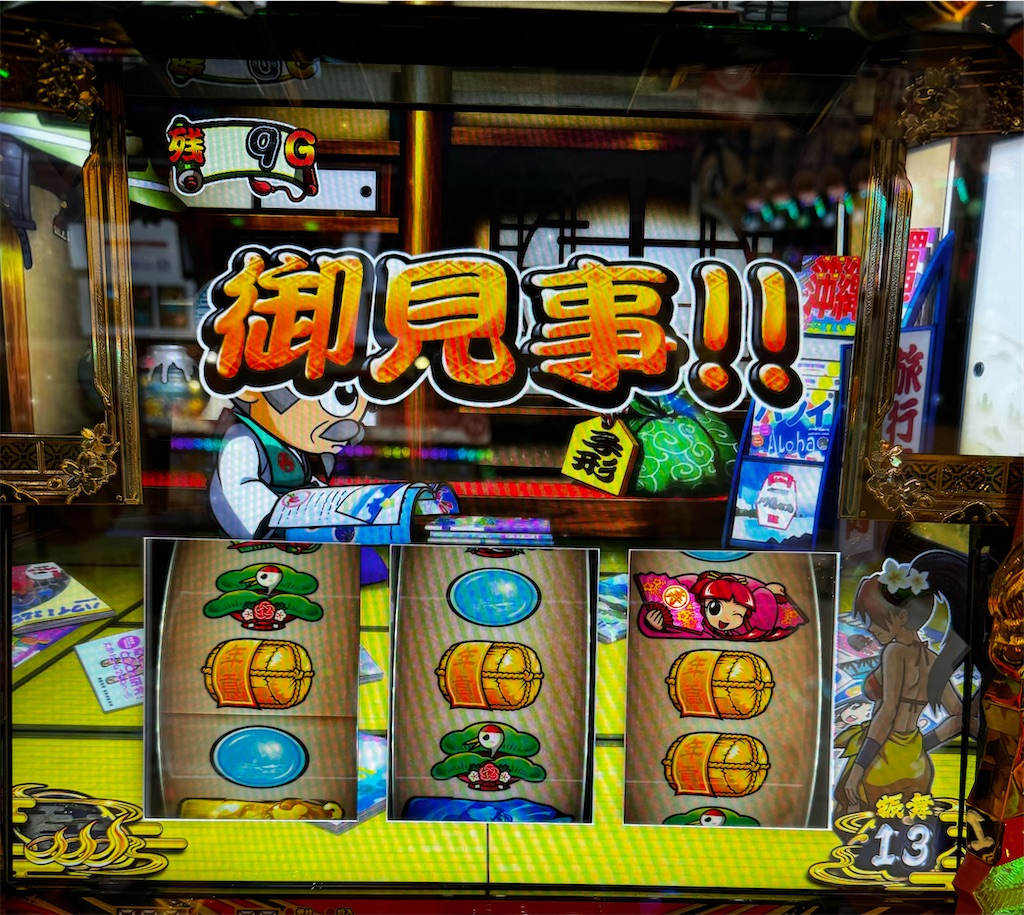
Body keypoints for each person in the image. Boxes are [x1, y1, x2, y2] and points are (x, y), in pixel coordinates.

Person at [834, 550, 969, 816]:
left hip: (881, 762)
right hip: (917, 766)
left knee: (853, 821)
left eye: (873, 619)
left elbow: (887, 712)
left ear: (901, 618)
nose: (869, 628)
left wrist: (857, 771)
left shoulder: (895, 652)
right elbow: (960, 717)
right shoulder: (933, 660)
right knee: (906, 825)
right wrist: (920, 747)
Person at [209, 385, 368, 540]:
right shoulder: (242, 439)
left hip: (291, 532)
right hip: (259, 543)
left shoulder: (290, 442)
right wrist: (287, 522)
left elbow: (304, 482)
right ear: (251, 393)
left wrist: (333, 501)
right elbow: (243, 491)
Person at [635, 570, 807, 641]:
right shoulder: (689, 614)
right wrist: (654, 624)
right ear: (703, 603)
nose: (725, 619)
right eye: (715, 609)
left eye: (737, 615)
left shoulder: (748, 630)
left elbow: (770, 625)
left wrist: (770, 596)